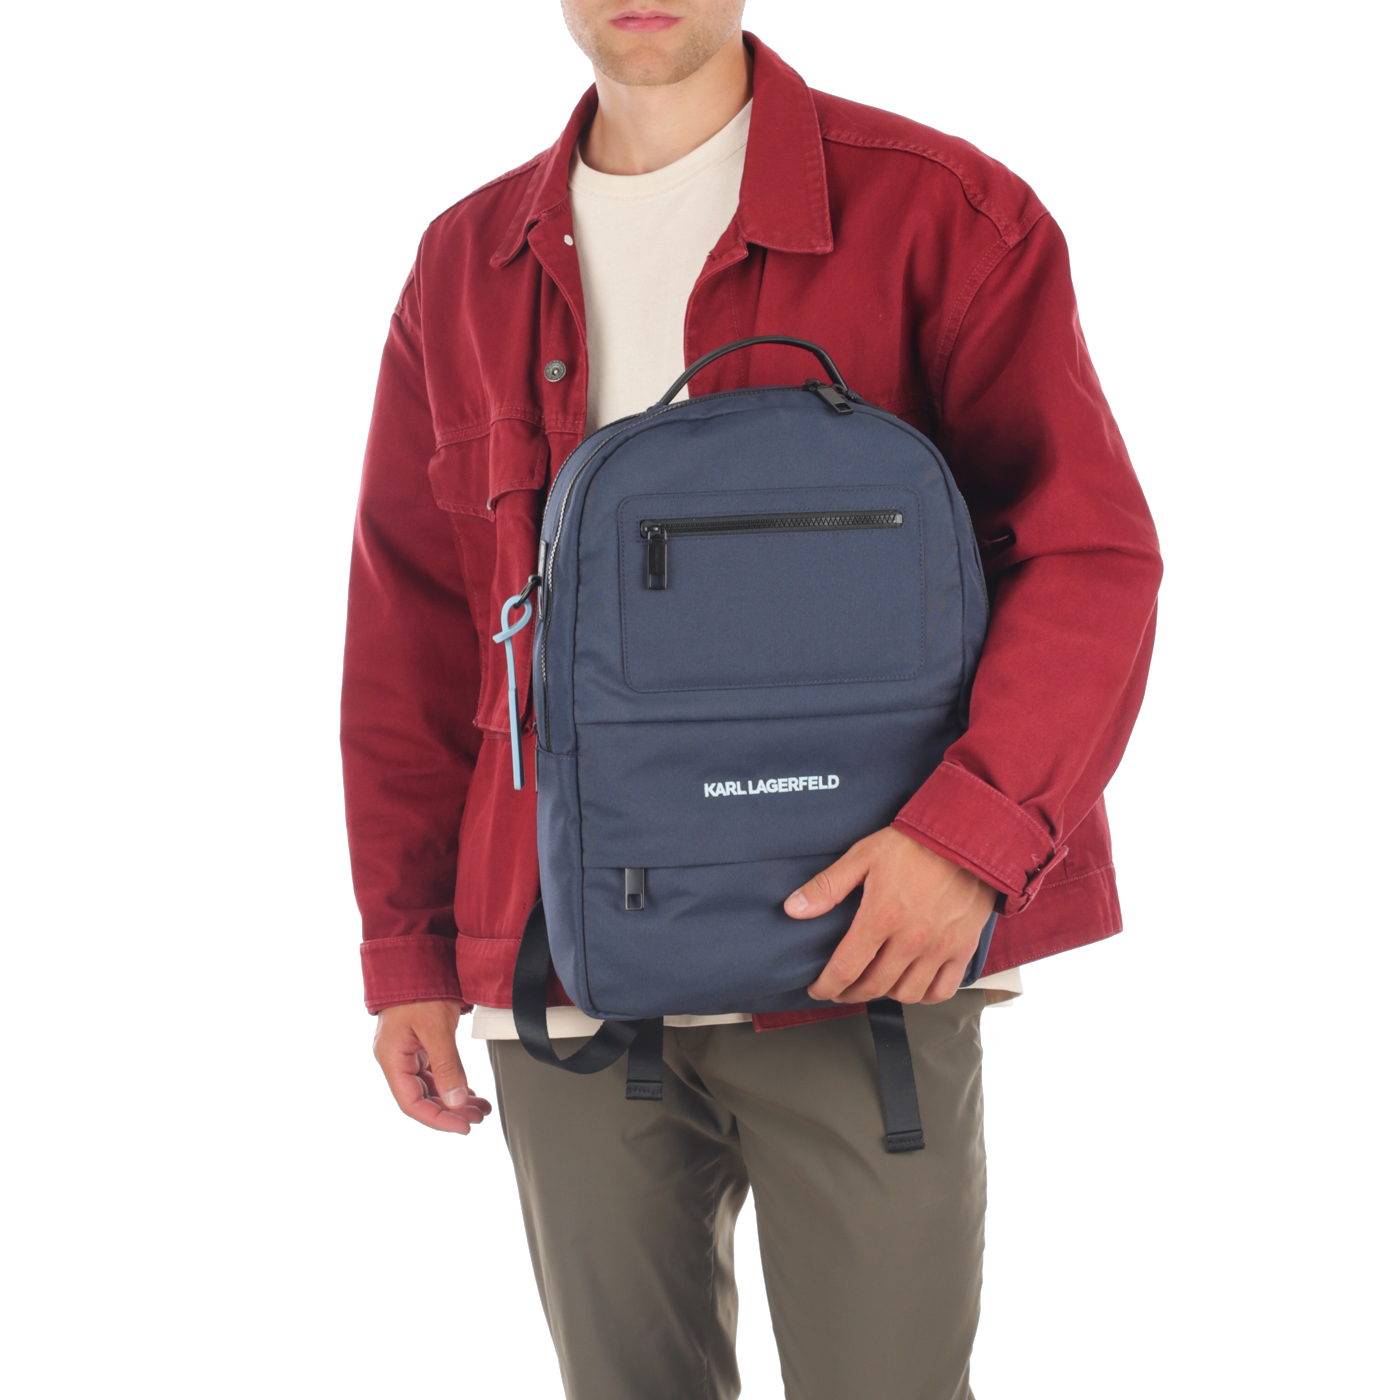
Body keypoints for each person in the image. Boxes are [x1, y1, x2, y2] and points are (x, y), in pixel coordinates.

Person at [341, 4, 1161, 1397]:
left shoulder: (940, 213)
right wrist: (409, 948)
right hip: (561, 973)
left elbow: (1087, 554)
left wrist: (969, 845)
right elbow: (413, 629)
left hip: (863, 955)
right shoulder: (466, 262)